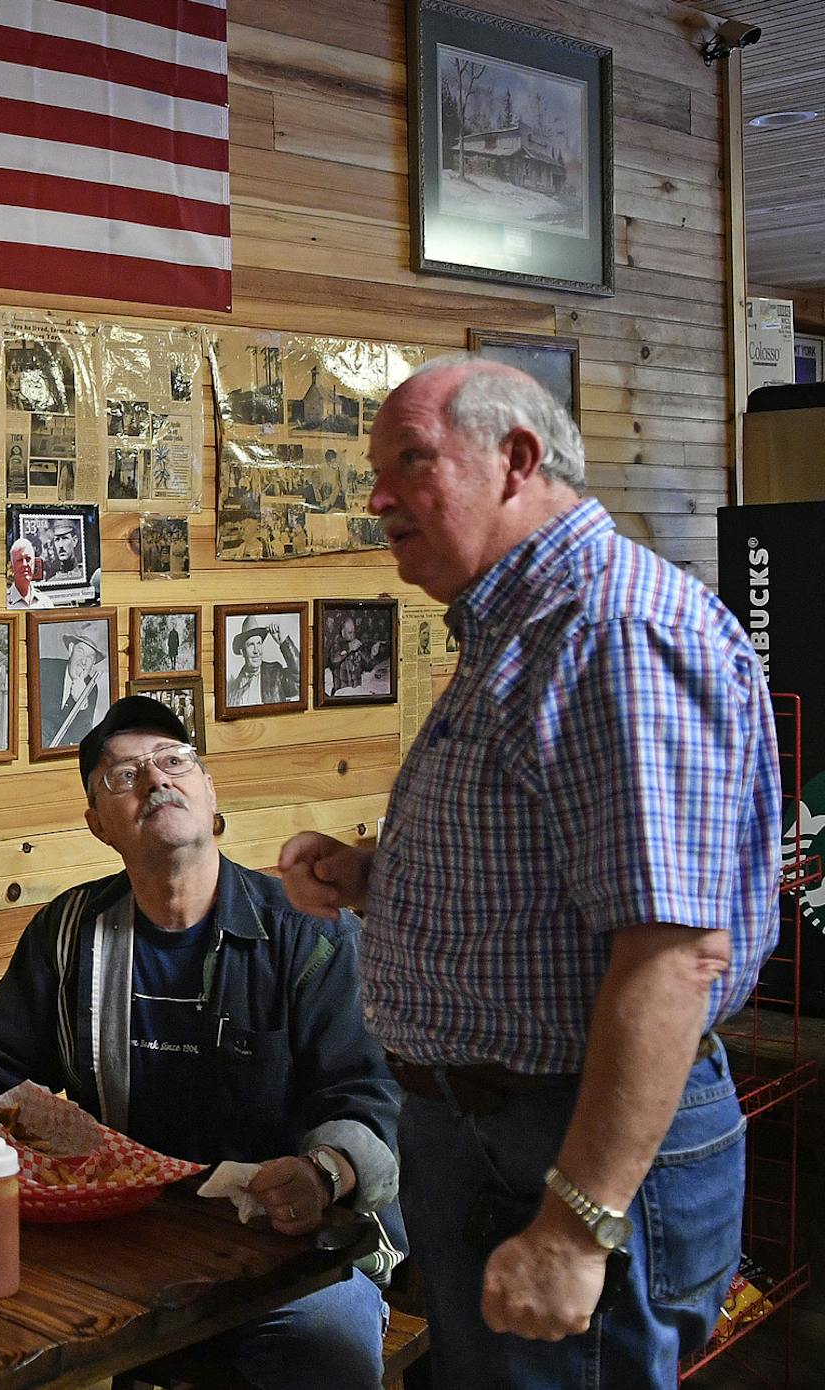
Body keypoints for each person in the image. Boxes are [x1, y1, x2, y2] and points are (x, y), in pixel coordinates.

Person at [279, 356, 778, 1388]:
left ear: (516, 459)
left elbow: (673, 955)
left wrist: (577, 1226)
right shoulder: (520, 624)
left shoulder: (611, 630)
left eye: (410, 462)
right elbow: (561, 875)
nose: (377, 498)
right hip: (490, 1139)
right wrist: (381, 878)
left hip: (566, 1146)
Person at [0, 696, 402, 1389]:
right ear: (97, 824)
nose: (157, 781)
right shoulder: (71, 930)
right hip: (127, 1243)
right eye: (125, 775)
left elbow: (367, 1096)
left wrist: (323, 1174)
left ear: (209, 791)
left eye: (175, 762)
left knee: (330, 1346)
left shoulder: (310, 935)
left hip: (289, 1251)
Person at [6, 537, 49, 608]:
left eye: (28, 559)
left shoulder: (45, 603)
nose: (25, 564)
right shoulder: (4, 604)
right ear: (12, 566)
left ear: (34, 563)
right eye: (19, 560)